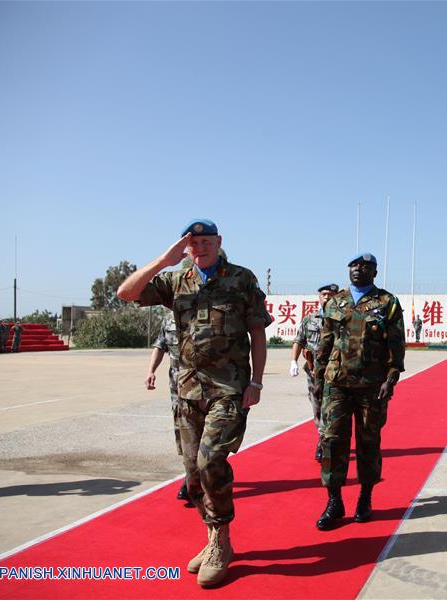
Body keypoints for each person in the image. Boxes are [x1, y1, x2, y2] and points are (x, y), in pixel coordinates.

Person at [117, 218, 272, 588]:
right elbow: (125, 293)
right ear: (186, 246)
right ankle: (211, 535)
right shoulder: (176, 281)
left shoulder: (241, 279)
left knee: (210, 460)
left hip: (229, 389)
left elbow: (257, 334)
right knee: (191, 474)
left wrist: (256, 382)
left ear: (219, 241)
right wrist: (164, 261)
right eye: (192, 242)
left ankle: (221, 540)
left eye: (205, 240)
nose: (199, 246)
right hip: (187, 390)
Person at [312, 252, 405, 531]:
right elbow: (324, 343)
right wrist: (319, 379)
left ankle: (365, 498)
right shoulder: (335, 302)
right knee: (332, 442)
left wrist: (392, 376)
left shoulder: (387, 302)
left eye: (365, 266)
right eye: (354, 265)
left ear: (375, 272)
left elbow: (396, 344)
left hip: (371, 385)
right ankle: (334, 501)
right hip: (336, 383)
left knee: (368, 442)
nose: (358, 269)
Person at [290, 283, 339, 461]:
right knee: (317, 407)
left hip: (335, 373)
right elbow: (299, 340)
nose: (326, 297)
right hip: (313, 373)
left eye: (331, 294)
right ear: (319, 297)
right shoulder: (309, 319)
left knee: (332, 408)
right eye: (324, 294)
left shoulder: (342, 318)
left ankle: (324, 442)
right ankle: (325, 436)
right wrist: (293, 361)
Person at [146, 314, 191, 504]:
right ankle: (191, 476)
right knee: (183, 433)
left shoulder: (199, 315)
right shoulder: (169, 319)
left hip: (203, 388)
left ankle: (196, 479)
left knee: (201, 435)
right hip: (177, 387)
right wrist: (151, 371)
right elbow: (160, 345)